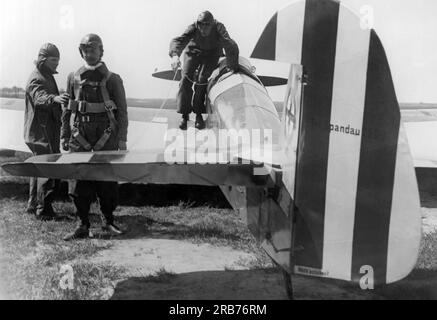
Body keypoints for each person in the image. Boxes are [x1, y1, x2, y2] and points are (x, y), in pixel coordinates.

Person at [61, 34, 128, 240]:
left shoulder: (113, 78)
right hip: (79, 133)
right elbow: (67, 108)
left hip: (106, 134)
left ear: (101, 51)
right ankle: (82, 224)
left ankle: (108, 221)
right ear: (81, 52)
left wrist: (122, 138)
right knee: (78, 179)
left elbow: (123, 111)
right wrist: (64, 134)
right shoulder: (73, 77)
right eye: (86, 50)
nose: (89, 54)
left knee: (106, 179)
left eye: (93, 50)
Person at [169, 10, 239, 130]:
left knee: (202, 79)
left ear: (212, 25)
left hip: (211, 54)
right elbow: (178, 40)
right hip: (193, 52)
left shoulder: (219, 27)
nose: (204, 29)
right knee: (185, 78)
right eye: (201, 25)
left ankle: (198, 114)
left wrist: (232, 65)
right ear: (198, 24)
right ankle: (185, 114)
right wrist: (175, 55)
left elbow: (229, 44)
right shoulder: (193, 27)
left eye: (208, 26)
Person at [24, 43, 70, 220]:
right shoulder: (36, 77)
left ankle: (33, 204)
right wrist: (55, 98)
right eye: (53, 60)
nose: (57, 64)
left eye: (58, 60)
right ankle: (44, 211)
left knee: (38, 168)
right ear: (43, 59)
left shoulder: (47, 75)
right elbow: (39, 98)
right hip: (40, 132)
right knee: (46, 168)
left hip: (45, 130)